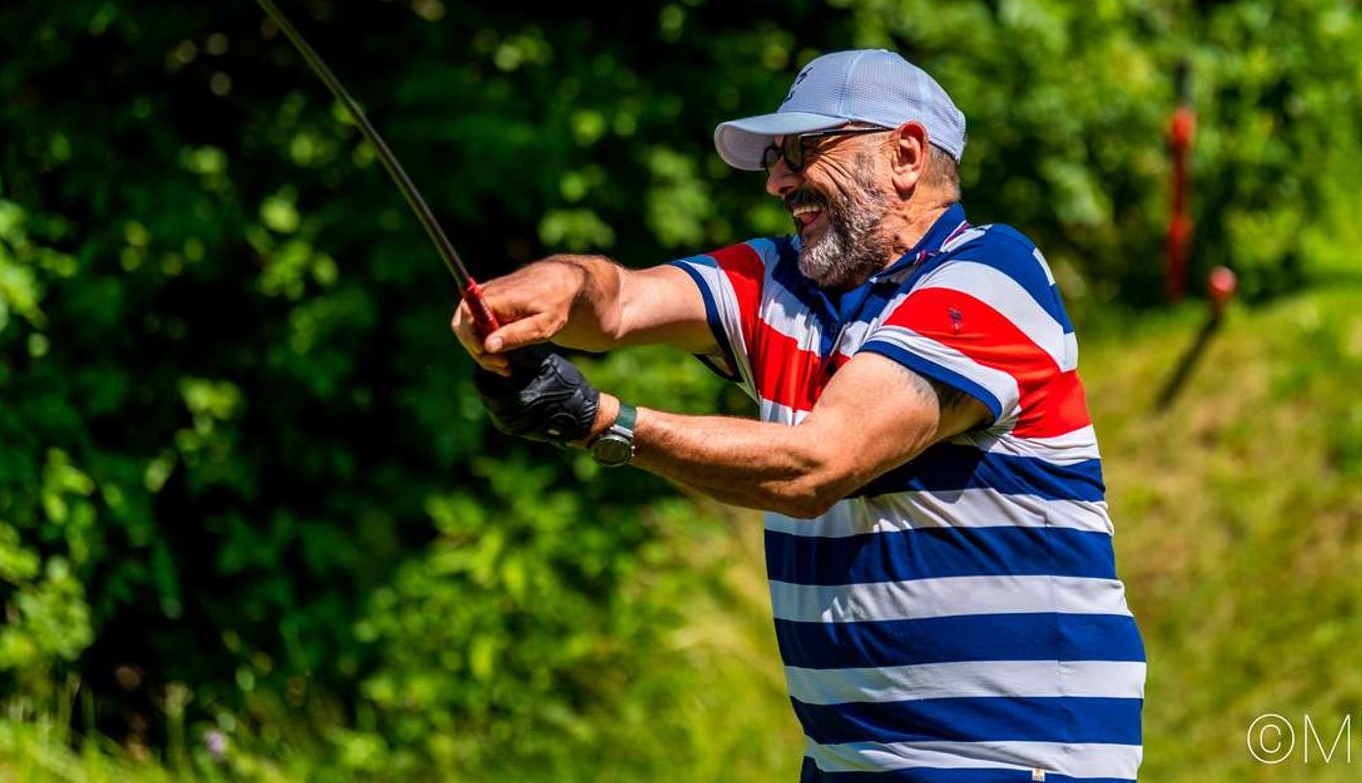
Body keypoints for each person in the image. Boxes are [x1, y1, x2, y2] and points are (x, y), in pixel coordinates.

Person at [451, 49, 1146, 782]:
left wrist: (603, 424)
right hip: (845, 763)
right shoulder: (782, 280)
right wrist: (555, 285)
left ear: (905, 155)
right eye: (774, 158)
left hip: (1011, 756)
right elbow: (619, 302)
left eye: (803, 150)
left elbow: (820, 465)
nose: (778, 180)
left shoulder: (991, 276)